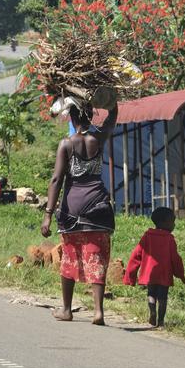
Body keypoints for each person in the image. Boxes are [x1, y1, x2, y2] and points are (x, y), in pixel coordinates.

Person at [41, 100, 118, 325]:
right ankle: (98, 311)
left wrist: (47, 214)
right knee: (96, 257)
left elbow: (56, 180)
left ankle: (66, 309)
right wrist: (110, 102)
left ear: (73, 119)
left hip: (72, 208)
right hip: (98, 206)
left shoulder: (66, 144)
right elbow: (112, 119)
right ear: (89, 117)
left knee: (70, 256)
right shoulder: (98, 139)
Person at [123, 207, 185, 327]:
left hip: (149, 273)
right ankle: (161, 321)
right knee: (163, 297)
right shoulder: (169, 239)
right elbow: (176, 259)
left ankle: (152, 313)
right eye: (172, 221)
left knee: (151, 294)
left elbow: (135, 255)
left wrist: (130, 276)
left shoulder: (147, 236)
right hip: (164, 274)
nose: (174, 225)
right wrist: (180, 275)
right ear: (163, 222)